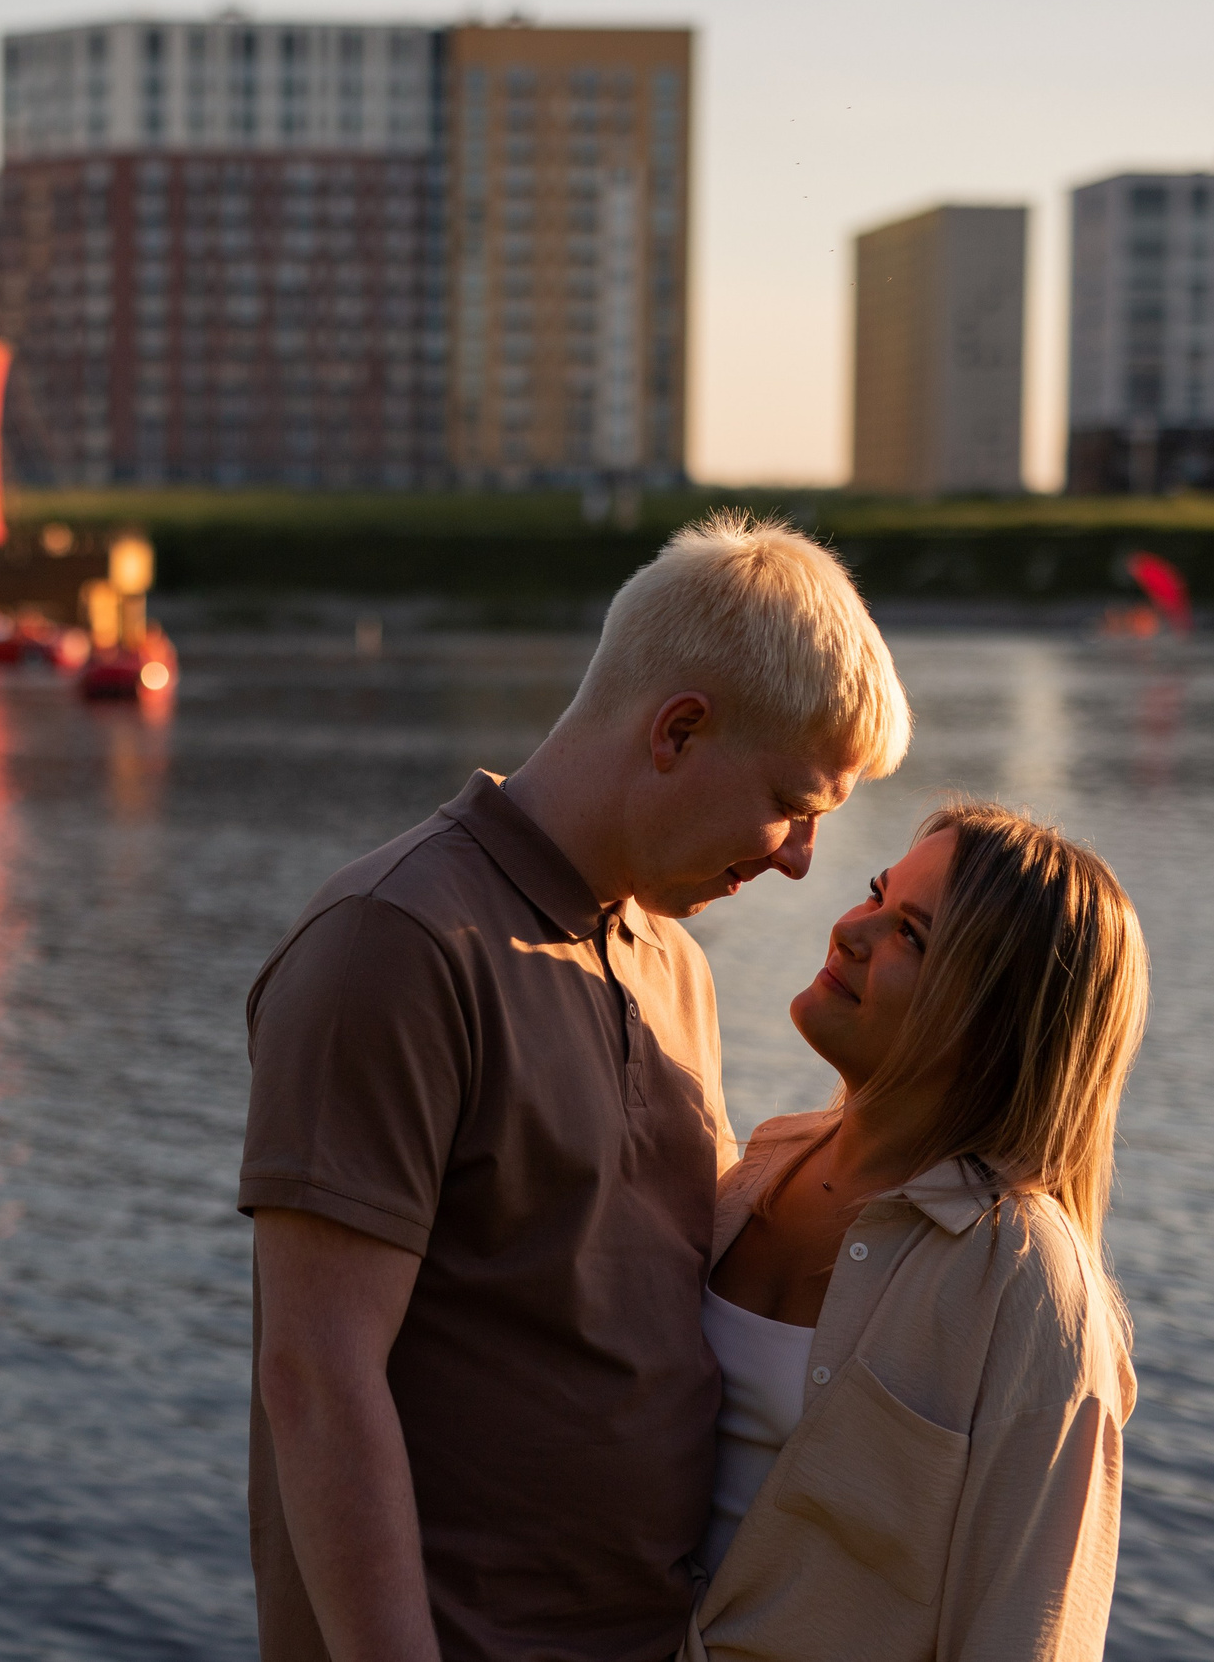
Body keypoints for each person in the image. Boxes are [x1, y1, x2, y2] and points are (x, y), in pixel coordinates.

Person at [240, 515, 911, 1662]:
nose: (802, 857)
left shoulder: (673, 965)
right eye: (793, 803)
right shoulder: (393, 942)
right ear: (678, 729)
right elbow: (316, 1377)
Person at [687, 803, 1146, 1661]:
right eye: (876, 893)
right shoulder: (752, 1171)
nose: (850, 930)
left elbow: (1030, 1633)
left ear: (997, 1025)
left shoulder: (1029, 1287)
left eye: (912, 935)